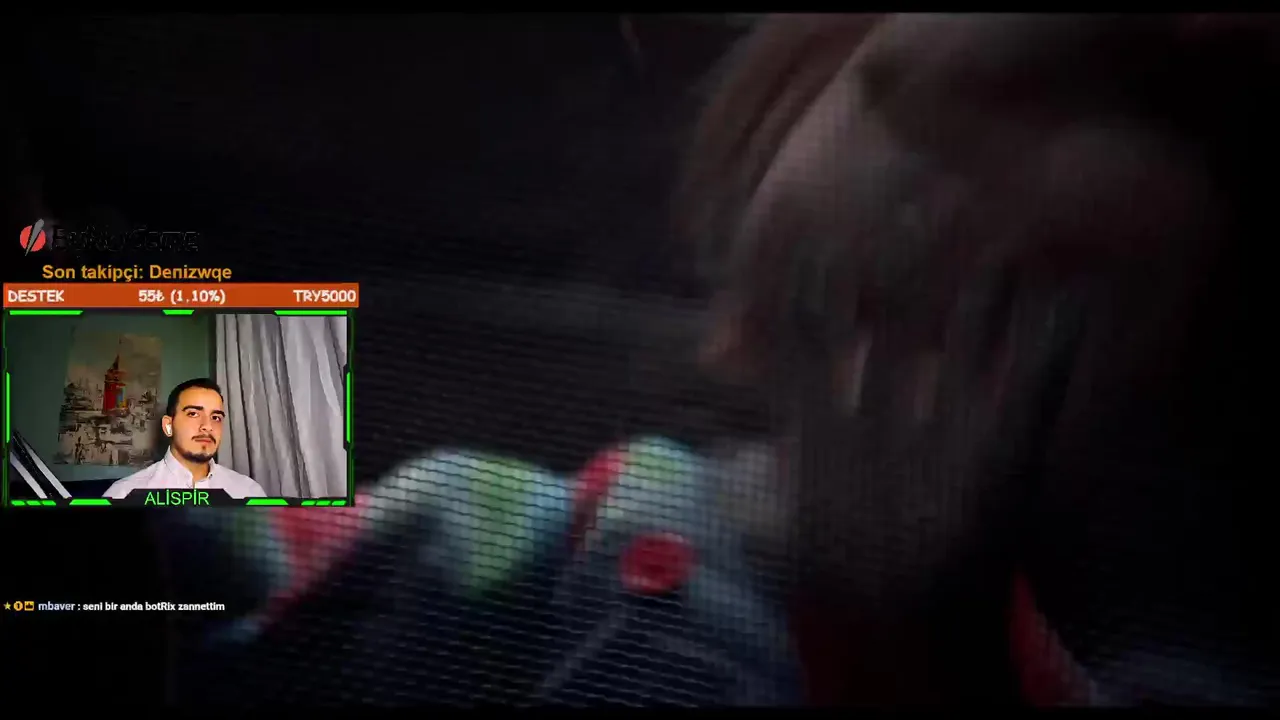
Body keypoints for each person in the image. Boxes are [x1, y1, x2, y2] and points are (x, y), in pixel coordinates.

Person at [103, 378, 266, 499]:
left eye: (216, 417)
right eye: (193, 414)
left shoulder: (249, 492)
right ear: (168, 425)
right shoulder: (124, 495)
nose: (207, 426)